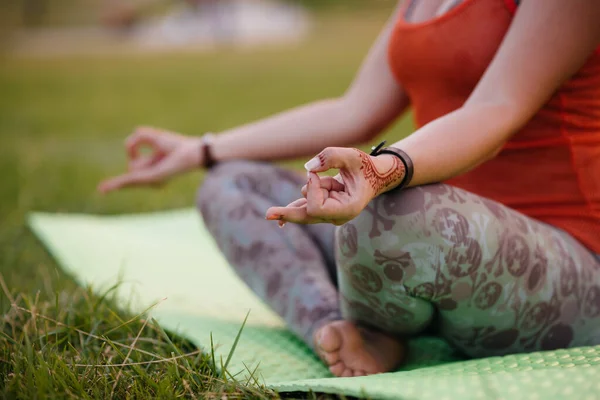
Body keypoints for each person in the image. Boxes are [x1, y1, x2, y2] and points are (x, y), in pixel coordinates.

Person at [99, 0, 600, 378]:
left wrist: (382, 170)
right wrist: (204, 149)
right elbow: (354, 110)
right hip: (427, 254)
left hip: (568, 267)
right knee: (232, 186)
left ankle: (381, 324)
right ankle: (341, 329)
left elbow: (497, 107)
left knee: (393, 211)